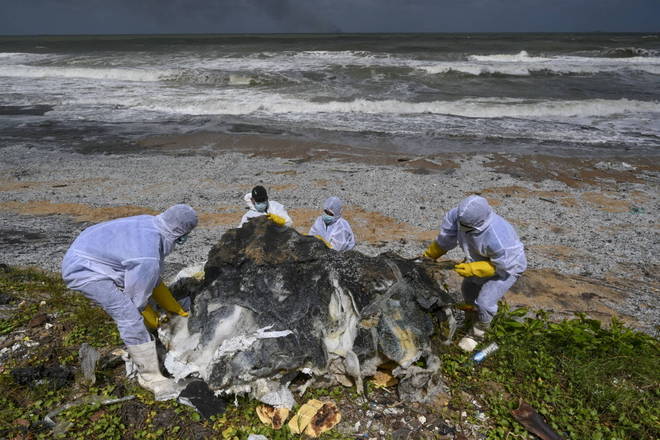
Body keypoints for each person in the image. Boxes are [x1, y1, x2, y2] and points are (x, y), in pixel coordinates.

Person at [61, 204, 198, 400]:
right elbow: (137, 300)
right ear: (180, 234)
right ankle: (150, 377)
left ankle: (144, 342)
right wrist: (152, 321)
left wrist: (176, 310)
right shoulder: (147, 256)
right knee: (128, 315)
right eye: (184, 237)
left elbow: (152, 279)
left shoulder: (152, 224)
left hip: (93, 252)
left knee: (140, 290)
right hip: (84, 269)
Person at [422, 195, 526, 352]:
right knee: (468, 290)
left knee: (485, 302)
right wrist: (429, 256)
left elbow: (504, 265)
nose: (462, 228)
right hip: (478, 259)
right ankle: (471, 321)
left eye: (467, 227)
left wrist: (473, 269)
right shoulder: (458, 216)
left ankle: (478, 333)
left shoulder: (499, 236)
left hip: (507, 267)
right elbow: (446, 238)